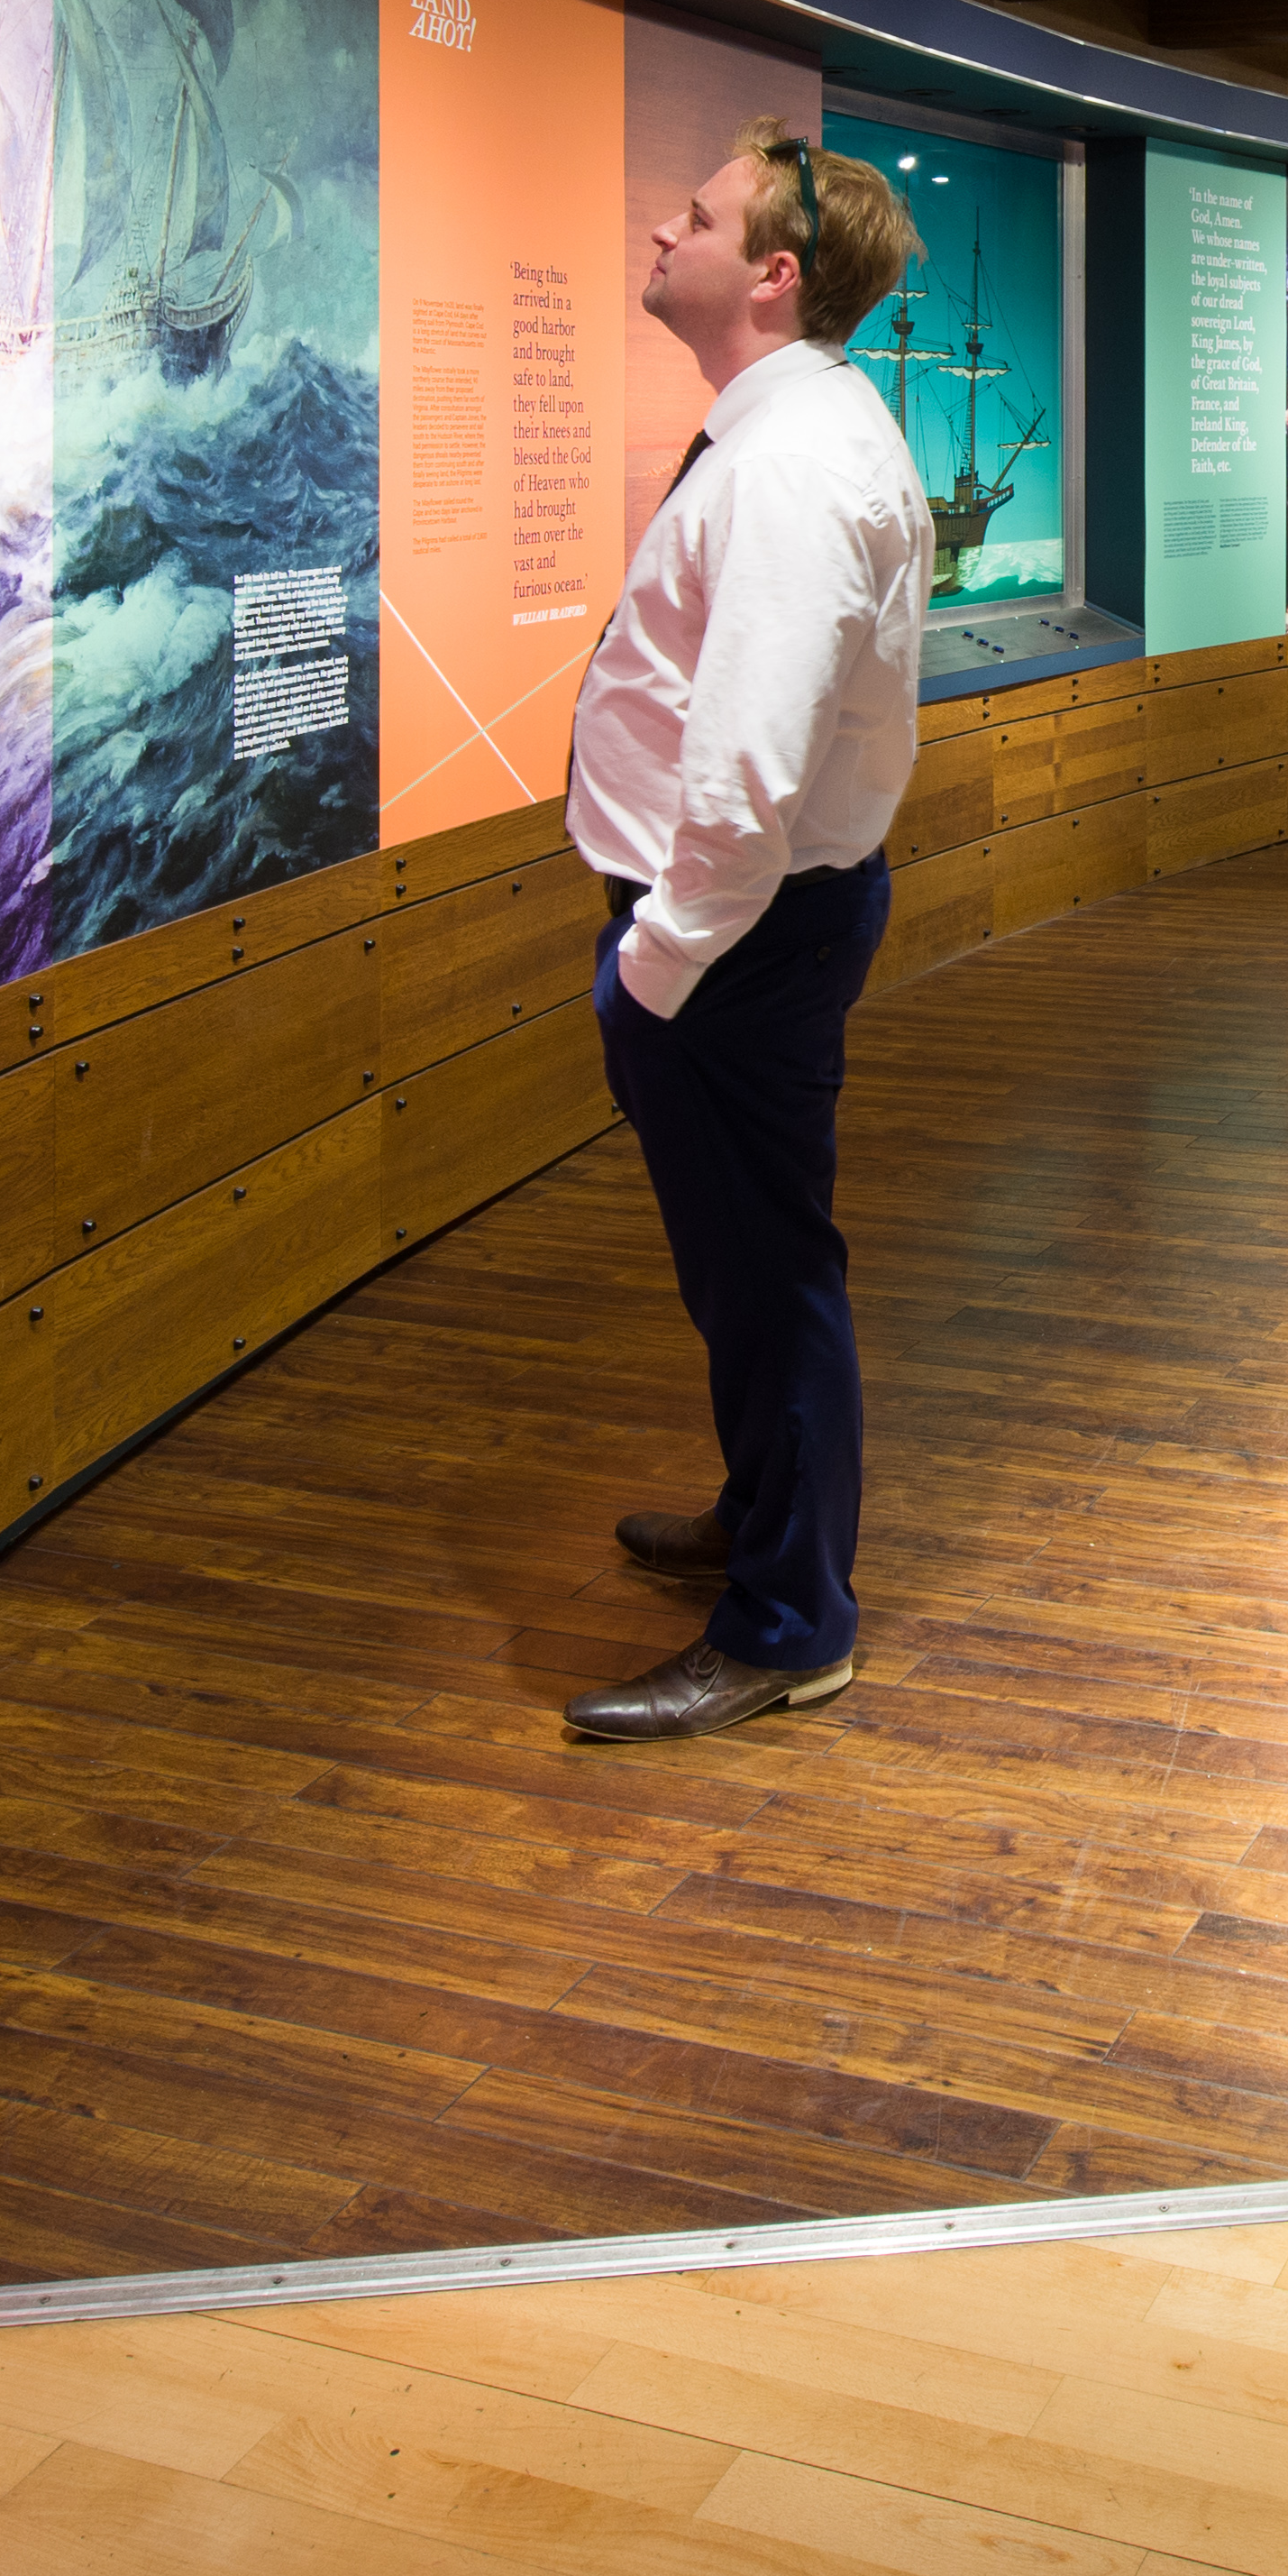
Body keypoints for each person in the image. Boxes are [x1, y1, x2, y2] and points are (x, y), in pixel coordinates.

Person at [558, 124, 930, 1745]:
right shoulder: (792, 430)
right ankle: (765, 1513)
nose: (664, 225)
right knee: (744, 1263)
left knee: (769, 1271)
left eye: (696, 215)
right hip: (740, 930)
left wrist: (653, 966)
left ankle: (789, 1619)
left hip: (728, 940)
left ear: (771, 273)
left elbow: (750, 765)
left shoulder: (786, 467)